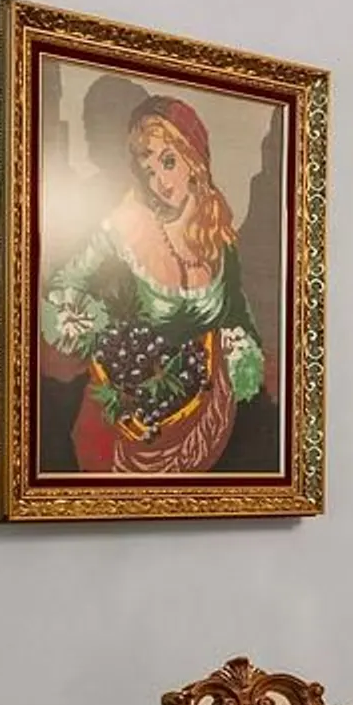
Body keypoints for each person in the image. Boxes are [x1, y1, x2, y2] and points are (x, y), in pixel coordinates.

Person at [36, 85, 275, 475]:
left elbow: (237, 314)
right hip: (134, 426)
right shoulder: (128, 226)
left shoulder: (218, 237)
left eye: (168, 162)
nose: (160, 182)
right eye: (148, 170)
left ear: (194, 159)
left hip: (211, 421)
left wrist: (239, 348)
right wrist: (102, 338)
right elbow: (66, 285)